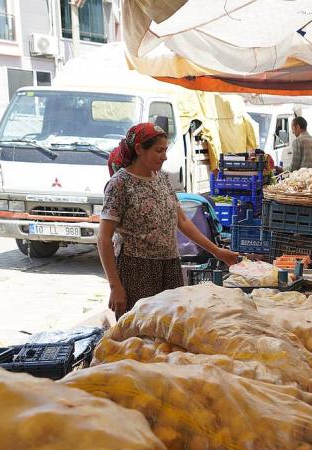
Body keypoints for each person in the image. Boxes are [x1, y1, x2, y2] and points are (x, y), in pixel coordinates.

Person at [99, 123, 240, 317]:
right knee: (140, 332)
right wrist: (115, 286)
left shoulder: (162, 178)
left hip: (170, 264)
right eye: (158, 150)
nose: (164, 156)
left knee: (171, 326)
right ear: (139, 149)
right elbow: (103, 239)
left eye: (165, 150)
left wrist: (216, 252)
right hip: (136, 269)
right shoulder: (120, 184)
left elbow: (181, 220)